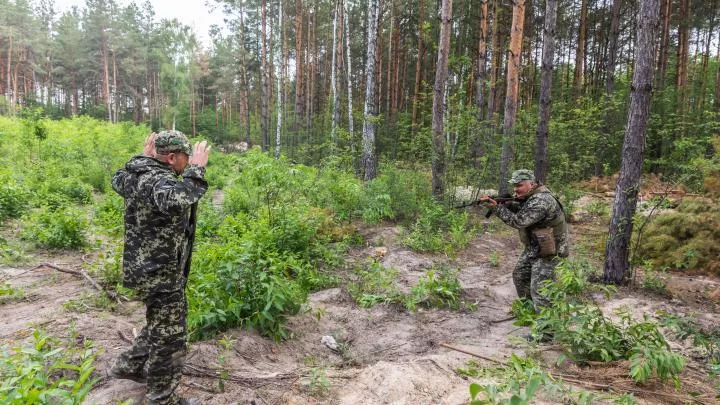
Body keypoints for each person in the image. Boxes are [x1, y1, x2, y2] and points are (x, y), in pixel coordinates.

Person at [109, 130, 210, 405]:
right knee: (170, 336)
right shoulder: (158, 180)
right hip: (160, 272)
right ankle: (161, 397)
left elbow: (117, 179)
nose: (187, 162)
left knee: (159, 322)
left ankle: (128, 366)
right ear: (171, 157)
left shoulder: (136, 175)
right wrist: (197, 170)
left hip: (143, 269)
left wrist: (143, 157)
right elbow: (176, 198)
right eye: (185, 158)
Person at [479, 169, 568, 314]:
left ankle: (545, 334)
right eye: (514, 185)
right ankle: (530, 313)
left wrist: (497, 208)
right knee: (520, 275)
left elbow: (519, 221)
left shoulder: (542, 200)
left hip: (550, 252)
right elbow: (523, 207)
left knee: (541, 291)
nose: (515, 189)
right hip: (536, 247)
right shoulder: (531, 196)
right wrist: (504, 204)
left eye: (519, 185)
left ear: (531, 184)